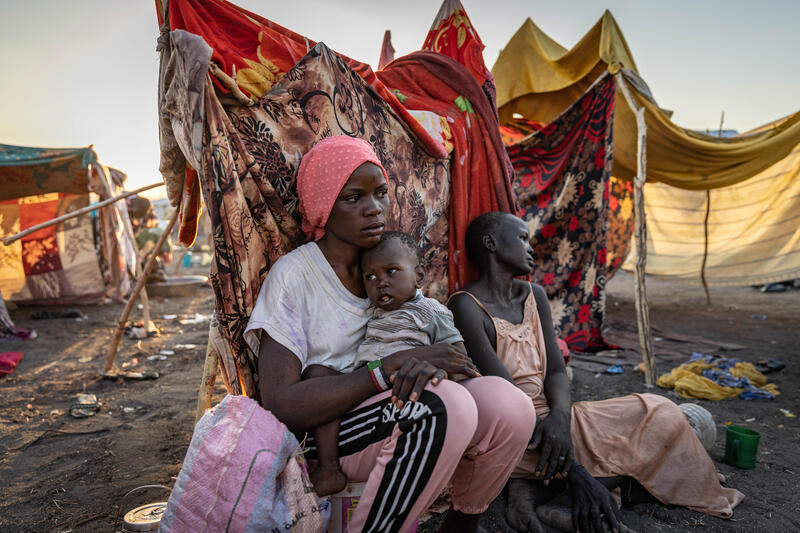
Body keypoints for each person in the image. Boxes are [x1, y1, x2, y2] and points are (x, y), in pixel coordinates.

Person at [243, 137, 535, 533]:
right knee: (442, 405)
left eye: (380, 193)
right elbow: (280, 403)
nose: (374, 208)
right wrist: (389, 368)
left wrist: (437, 361)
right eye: (353, 198)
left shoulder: (389, 264)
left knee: (510, 405)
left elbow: (434, 343)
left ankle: (461, 525)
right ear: (323, 204)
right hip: (328, 433)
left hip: (395, 407)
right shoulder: (296, 277)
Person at [448, 212, 745, 533]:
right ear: (490, 243)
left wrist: (561, 418)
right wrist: (575, 469)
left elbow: (557, 372)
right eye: (521, 238)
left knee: (659, 411)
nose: (529, 246)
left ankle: (538, 489)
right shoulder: (466, 305)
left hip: (556, 423)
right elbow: (506, 397)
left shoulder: (535, 296)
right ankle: (552, 490)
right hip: (514, 432)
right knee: (637, 455)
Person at [305, 230, 468, 496]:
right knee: (317, 374)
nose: (380, 282)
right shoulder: (371, 312)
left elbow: (456, 355)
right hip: (364, 380)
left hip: (399, 388)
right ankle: (329, 467)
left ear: (419, 276)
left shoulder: (430, 311)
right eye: (370, 277)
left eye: (391, 271)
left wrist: (450, 379)